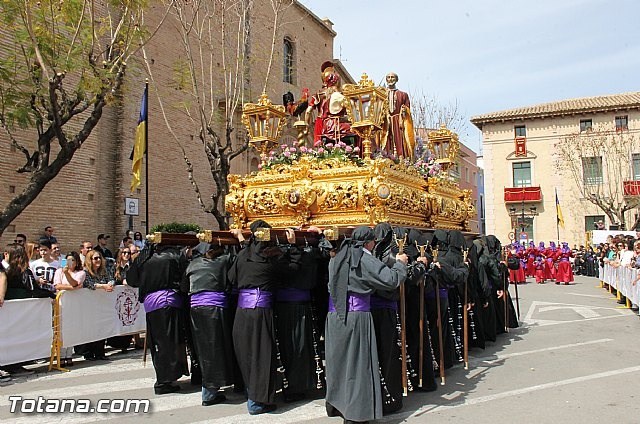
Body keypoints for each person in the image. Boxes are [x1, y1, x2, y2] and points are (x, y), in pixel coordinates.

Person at [324, 226, 408, 423]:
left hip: (334, 318)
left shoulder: (336, 257)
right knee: (358, 366)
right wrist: (400, 264)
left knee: (339, 365)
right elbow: (391, 280)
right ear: (370, 243)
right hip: (356, 316)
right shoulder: (363, 257)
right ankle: (356, 415)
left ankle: (339, 406)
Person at [229, 220, 297, 415]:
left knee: (247, 354)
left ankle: (252, 393)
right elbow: (292, 270)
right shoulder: (271, 257)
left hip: (242, 313)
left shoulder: (243, 256)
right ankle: (257, 401)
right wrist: (292, 246)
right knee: (261, 355)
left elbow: (231, 278)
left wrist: (242, 241)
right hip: (260, 312)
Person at [127, 241, 190, 395]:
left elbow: (132, 280)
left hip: (152, 305)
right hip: (168, 302)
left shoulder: (143, 259)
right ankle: (164, 380)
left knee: (158, 343)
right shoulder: (174, 256)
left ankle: (166, 377)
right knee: (169, 343)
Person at [184, 239, 239, 406]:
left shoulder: (193, 264)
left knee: (204, 349)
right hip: (214, 309)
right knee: (215, 348)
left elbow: (183, 286)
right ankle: (210, 391)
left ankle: (209, 388)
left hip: (196, 309)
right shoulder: (223, 260)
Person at [305, 61, 355, 146]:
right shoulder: (338, 95)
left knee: (319, 144)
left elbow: (308, 111)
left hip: (321, 121)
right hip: (332, 122)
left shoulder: (318, 94)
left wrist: (306, 126)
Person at [53, 251, 86, 366]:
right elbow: (57, 285)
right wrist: (71, 287)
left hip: (74, 303)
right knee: (61, 329)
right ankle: (61, 355)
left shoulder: (81, 273)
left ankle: (68, 354)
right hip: (62, 302)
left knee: (71, 328)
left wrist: (68, 276)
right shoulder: (58, 272)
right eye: (68, 260)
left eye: (72, 260)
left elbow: (76, 283)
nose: (70, 262)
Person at [382, 72, 415, 159]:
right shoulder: (381, 94)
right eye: (388, 77)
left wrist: (404, 111)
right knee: (386, 139)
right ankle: (386, 156)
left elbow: (407, 109)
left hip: (398, 120)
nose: (390, 79)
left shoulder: (403, 94)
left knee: (399, 139)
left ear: (396, 80)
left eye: (392, 77)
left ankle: (401, 158)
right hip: (385, 121)